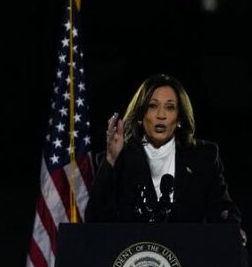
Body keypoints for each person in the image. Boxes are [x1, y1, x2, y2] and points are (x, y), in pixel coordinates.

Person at [85, 74, 242, 228]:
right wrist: (111, 159)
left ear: (179, 117)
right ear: (141, 114)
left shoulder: (204, 156)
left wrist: (234, 231)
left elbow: (222, 210)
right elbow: (95, 218)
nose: (161, 115)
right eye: (152, 106)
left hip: (186, 251)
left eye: (170, 107)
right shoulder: (119, 159)